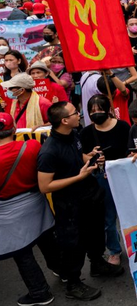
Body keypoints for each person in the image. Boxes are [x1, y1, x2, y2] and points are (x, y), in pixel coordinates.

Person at [38, 102, 124, 301]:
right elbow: (45, 186)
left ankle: (97, 263)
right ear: (64, 120)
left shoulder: (73, 135)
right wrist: (79, 176)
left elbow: (79, 156)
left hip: (89, 196)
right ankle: (73, 284)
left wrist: (91, 158)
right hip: (69, 205)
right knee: (73, 244)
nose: (80, 114)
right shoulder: (49, 151)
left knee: (95, 233)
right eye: (75, 112)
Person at [0, 113, 56, 306]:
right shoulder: (31, 146)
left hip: (7, 210)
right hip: (35, 201)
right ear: (14, 129)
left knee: (22, 252)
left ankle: (40, 292)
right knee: (47, 238)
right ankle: (63, 270)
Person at [79, 95, 131, 266]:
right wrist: (93, 157)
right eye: (92, 111)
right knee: (108, 219)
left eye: (100, 110)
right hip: (102, 180)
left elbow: (130, 152)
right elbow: (84, 156)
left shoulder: (123, 127)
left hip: (124, 176)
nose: (96, 114)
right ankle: (114, 250)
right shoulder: (86, 132)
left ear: (109, 110)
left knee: (131, 214)